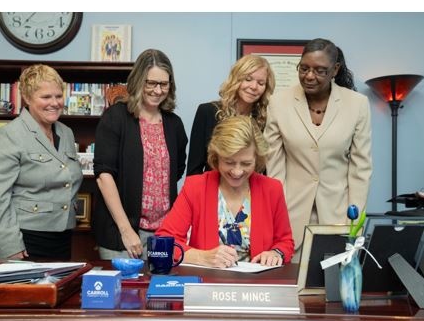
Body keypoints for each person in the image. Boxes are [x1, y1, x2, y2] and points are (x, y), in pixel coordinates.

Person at [264, 38, 373, 262]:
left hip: (338, 216)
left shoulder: (357, 104)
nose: (309, 76)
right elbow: (274, 167)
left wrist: (353, 222)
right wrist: (278, 216)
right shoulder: (278, 102)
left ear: (335, 70)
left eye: (320, 70)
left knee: (333, 290)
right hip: (291, 216)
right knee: (291, 289)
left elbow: (360, 168)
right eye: (304, 68)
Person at [156, 116, 294, 268]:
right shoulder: (196, 187)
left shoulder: (272, 189)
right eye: (229, 162)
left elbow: (285, 242)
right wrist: (202, 257)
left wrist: (276, 253)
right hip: (207, 284)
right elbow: (163, 243)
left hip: (258, 288)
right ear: (217, 157)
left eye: (246, 163)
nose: (237, 171)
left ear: (257, 159)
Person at [0, 64, 83, 260]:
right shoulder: (9, 135)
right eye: (45, 97)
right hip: (21, 235)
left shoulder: (65, 132)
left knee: (56, 290)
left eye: (58, 96)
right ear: (27, 98)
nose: (54, 103)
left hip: (60, 235)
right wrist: (10, 245)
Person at [93, 49, 188, 260]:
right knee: (123, 292)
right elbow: (104, 176)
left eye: (164, 84)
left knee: (158, 292)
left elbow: (177, 171)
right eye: (150, 83)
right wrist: (126, 229)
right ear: (137, 81)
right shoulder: (116, 117)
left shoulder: (174, 124)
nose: (157, 90)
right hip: (121, 234)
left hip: (163, 234)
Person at [186, 54, 275, 176]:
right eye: (248, 79)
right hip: (212, 190)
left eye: (261, 83)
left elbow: (265, 168)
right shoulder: (207, 112)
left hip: (250, 191)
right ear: (236, 79)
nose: (254, 87)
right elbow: (194, 169)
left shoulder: (266, 118)